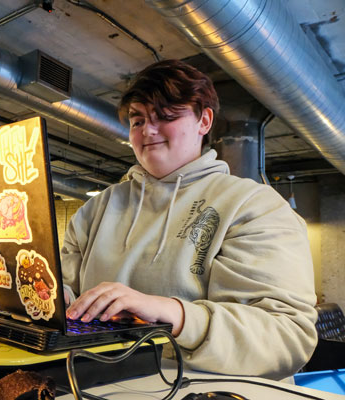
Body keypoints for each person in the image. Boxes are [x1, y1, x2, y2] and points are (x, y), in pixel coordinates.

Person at [62, 59, 317, 380]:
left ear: (204, 120)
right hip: (99, 384)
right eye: (137, 120)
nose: (147, 130)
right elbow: (66, 290)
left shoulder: (256, 206)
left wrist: (175, 314)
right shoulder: (95, 210)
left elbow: (286, 339)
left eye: (165, 116)